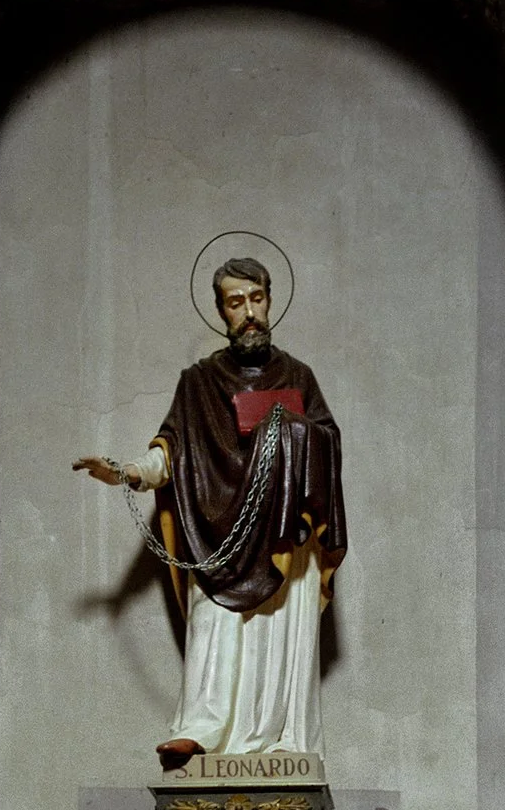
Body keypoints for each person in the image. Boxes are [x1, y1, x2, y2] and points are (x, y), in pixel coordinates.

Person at [75, 257, 348, 771]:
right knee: (215, 628)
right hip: (217, 528)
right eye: (235, 302)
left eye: (256, 298)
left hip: (286, 532)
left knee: (280, 636)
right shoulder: (199, 383)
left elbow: (328, 443)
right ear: (221, 312)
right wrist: (126, 472)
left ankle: (284, 740)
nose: (249, 312)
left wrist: (289, 432)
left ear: (270, 299)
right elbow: (172, 452)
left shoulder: (298, 376)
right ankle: (200, 729)